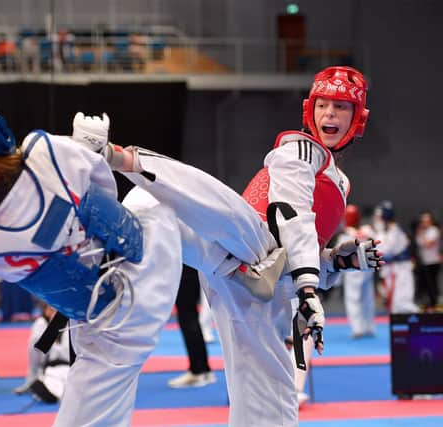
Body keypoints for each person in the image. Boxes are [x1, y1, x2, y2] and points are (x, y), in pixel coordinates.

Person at [76, 66, 382, 426]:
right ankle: (113, 161)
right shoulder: (299, 150)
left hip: (260, 285)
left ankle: (114, 185)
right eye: (323, 105)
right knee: (165, 204)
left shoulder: (339, 181)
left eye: (341, 107)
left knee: (269, 406)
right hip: (245, 248)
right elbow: (292, 212)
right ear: (309, 110)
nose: (329, 113)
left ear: (357, 118)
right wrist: (309, 285)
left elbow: (298, 248)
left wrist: (335, 261)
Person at [0, 83, 184, 426]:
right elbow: (108, 200)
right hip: (137, 281)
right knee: (158, 195)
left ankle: (240, 259)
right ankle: (245, 254)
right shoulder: (44, 150)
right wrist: (87, 149)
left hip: (95, 321)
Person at [167, 266, 216, 388]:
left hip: (187, 266)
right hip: (191, 266)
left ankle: (199, 370)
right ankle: (202, 369)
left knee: (187, 315)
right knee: (188, 315)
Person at [13, 302, 70, 403]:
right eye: (51, 310)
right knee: (48, 388)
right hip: (50, 369)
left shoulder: (71, 323)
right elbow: (34, 358)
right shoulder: (40, 324)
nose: (54, 313)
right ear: (45, 310)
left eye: (57, 311)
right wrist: (30, 381)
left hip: (69, 368)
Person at [373, 201, 419, 313]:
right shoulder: (388, 232)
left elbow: (384, 251)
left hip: (400, 269)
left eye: (379, 217)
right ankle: (402, 328)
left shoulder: (395, 231)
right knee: (394, 304)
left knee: (402, 302)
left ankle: (421, 322)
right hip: (392, 269)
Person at [339, 204, 377, 337]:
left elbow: (339, 253)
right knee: (368, 298)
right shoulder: (367, 231)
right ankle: (369, 327)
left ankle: (358, 329)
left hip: (352, 270)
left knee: (353, 299)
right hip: (366, 268)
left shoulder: (345, 235)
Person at [415, 211, 441, 310]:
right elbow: (419, 245)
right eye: (422, 221)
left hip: (433, 262)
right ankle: (427, 303)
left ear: (431, 221)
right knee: (424, 284)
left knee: (433, 284)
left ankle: (434, 303)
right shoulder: (422, 231)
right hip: (424, 262)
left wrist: (421, 233)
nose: (424, 223)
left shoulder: (434, 230)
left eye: (426, 221)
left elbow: (427, 244)